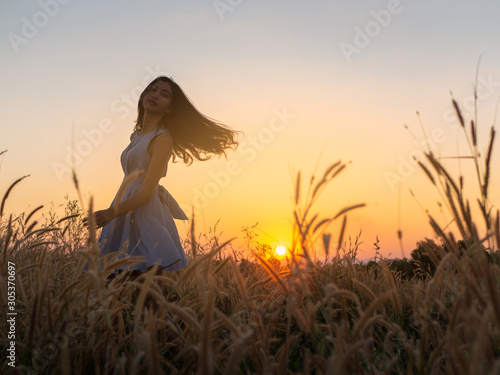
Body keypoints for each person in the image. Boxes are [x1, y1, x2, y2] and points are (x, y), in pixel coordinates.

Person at [83, 76, 239, 277]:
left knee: (145, 285)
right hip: (124, 207)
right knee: (114, 281)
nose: (155, 95)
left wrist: (111, 212)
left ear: (170, 108)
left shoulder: (162, 138)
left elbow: (147, 192)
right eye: (152, 90)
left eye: (164, 95)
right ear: (143, 95)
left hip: (145, 213)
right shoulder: (136, 135)